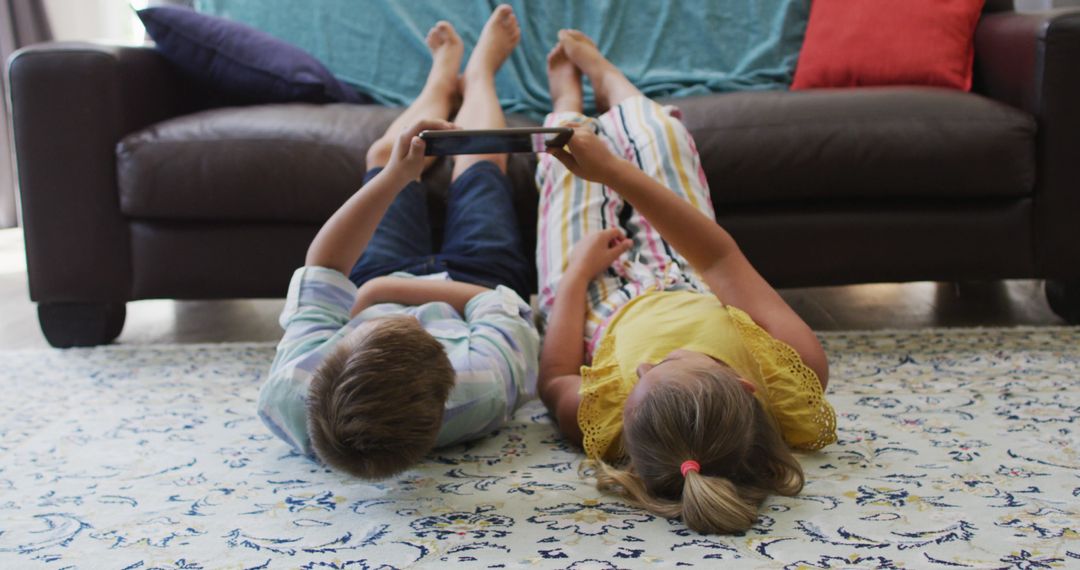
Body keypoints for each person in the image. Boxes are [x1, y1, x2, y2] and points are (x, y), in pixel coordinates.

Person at [535, 30, 838, 534]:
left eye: (639, 377)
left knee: (562, 155)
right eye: (669, 362)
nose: (648, 361)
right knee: (663, 136)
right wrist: (614, 171)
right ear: (744, 385)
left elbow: (554, 377)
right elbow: (718, 258)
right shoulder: (795, 375)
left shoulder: (607, 425)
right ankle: (612, 84)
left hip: (596, 297)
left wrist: (574, 278)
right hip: (689, 272)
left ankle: (567, 103)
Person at [258, 6, 539, 479]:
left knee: (384, 154)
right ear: (448, 380)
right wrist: (378, 295)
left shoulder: (291, 386)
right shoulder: (482, 390)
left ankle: (441, 80)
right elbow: (497, 305)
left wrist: (394, 176)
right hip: (475, 286)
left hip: (378, 279)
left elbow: (324, 265)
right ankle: (481, 73)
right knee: (481, 160)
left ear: (331, 358)